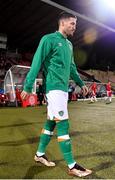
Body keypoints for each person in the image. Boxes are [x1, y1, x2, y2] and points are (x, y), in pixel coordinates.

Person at [21, 12, 92, 177]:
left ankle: (39, 154)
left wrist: (81, 84)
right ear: (63, 23)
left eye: (75, 24)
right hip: (53, 89)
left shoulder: (69, 45)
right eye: (72, 24)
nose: (75, 27)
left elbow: (72, 68)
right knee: (63, 124)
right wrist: (28, 85)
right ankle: (72, 166)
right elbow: (37, 61)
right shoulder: (48, 39)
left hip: (62, 89)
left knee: (51, 123)